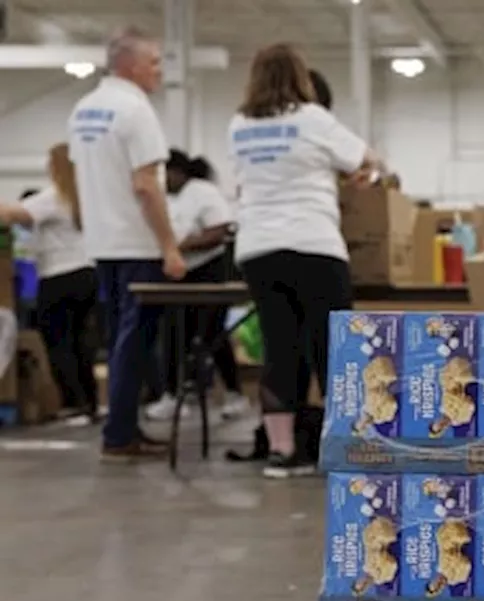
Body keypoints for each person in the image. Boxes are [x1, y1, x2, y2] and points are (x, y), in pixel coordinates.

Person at [228, 43, 383, 477]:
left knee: (280, 347)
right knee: (331, 346)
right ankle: (340, 449)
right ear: (300, 76)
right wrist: (357, 175)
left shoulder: (238, 125)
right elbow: (369, 160)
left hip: (257, 247)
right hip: (312, 243)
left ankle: (283, 452)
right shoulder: (314, 119)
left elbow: (242, 184)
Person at [68, 27, 187, 462]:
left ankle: (124, 428)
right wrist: (170, 246)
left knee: (120, 337)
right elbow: (146, 187)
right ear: (131, 65)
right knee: (134, 342)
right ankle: (118, 435)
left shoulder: (83, 110)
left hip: (102, 244)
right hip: (137, 246)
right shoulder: (135, 111)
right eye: (154, 62)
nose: (158, 71)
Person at [145, 150, 248, 422]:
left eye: (165, 173)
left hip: (208, 269)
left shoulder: (202, 192)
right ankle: (174, 395)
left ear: (179, 172)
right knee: (173, 334)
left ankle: (235, 394)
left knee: (211, 334)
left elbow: (220, 230)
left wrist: (182, 245)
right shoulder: (163, 197)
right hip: (175, 270)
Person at [0, 144, 98, 424]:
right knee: (80, 341)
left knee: (58, 343)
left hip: (59, 276)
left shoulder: (55, 196)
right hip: (87, 274)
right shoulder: (87, 198)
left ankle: (74, 403)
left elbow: (9, 215)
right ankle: (89, 403)